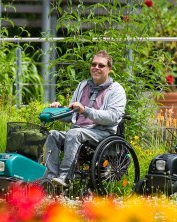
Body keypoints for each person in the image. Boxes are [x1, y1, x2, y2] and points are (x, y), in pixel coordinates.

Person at [43, 50, 127, 187]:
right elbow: (73, 115)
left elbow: (112, 117)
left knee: (74, 133)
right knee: (52, 135)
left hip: (101, 133)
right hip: (78, 130)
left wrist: (85, 110)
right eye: (94, 64)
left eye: (101, 65)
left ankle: (65, 177)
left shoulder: (116, 90)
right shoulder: (83, 86)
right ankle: (50, 178)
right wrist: (57, 111)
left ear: (109, 69)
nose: (96, 68)